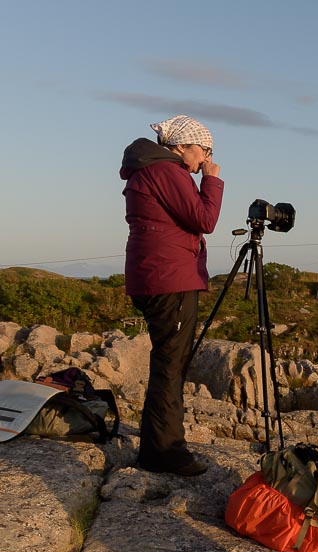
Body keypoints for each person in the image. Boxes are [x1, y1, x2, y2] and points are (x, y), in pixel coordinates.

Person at [120, 115, 222, 476]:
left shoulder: (149, 170)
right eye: (204, 149)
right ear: (182, 146)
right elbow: (204, 218)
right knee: (171, 365)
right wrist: (211, 180)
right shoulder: (167, 171)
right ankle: (165, 453)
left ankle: (158, 444)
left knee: (168, 360)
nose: (207, 156)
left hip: (155, 276)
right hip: (170, 280)